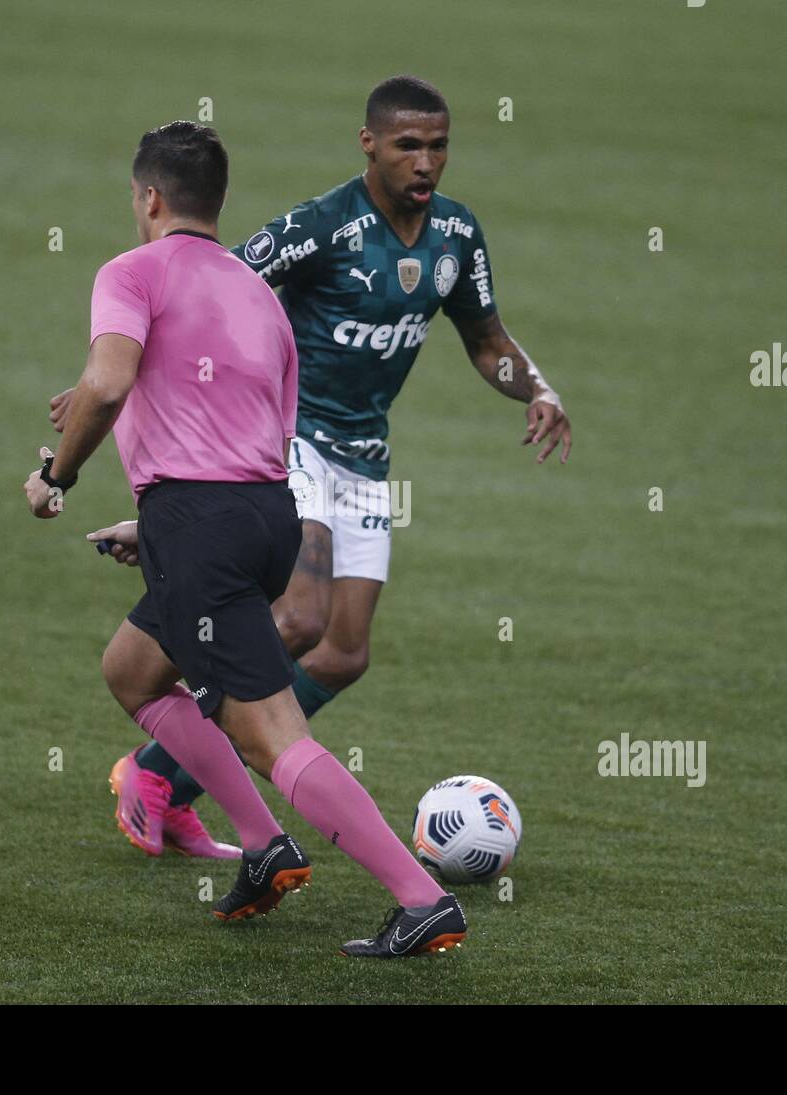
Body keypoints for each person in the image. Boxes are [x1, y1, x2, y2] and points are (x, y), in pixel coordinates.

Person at [57, 76, 571, 848]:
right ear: (370, 144)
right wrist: (121, 373)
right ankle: (161, 763)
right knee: (297, 616)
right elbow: (208, 285)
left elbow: (489, 341)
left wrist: (537, 387)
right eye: (408, 146)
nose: (425, 162)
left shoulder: (456, 238)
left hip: (365, 458)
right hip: (288, 441)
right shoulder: (323, 227)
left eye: (437, 146)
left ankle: (167, 761)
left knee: (342, 652)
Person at [25, 120, 466, 957]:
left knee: (272, 735)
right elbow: (256, 427)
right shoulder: (258, 291)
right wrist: (154, 525)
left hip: (205, 525)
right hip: (266, 514)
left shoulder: (130, 272)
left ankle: (422, 897)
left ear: (149, 198)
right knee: (133, 669)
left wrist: (59, 475)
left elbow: (110, 382)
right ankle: (265, 846)